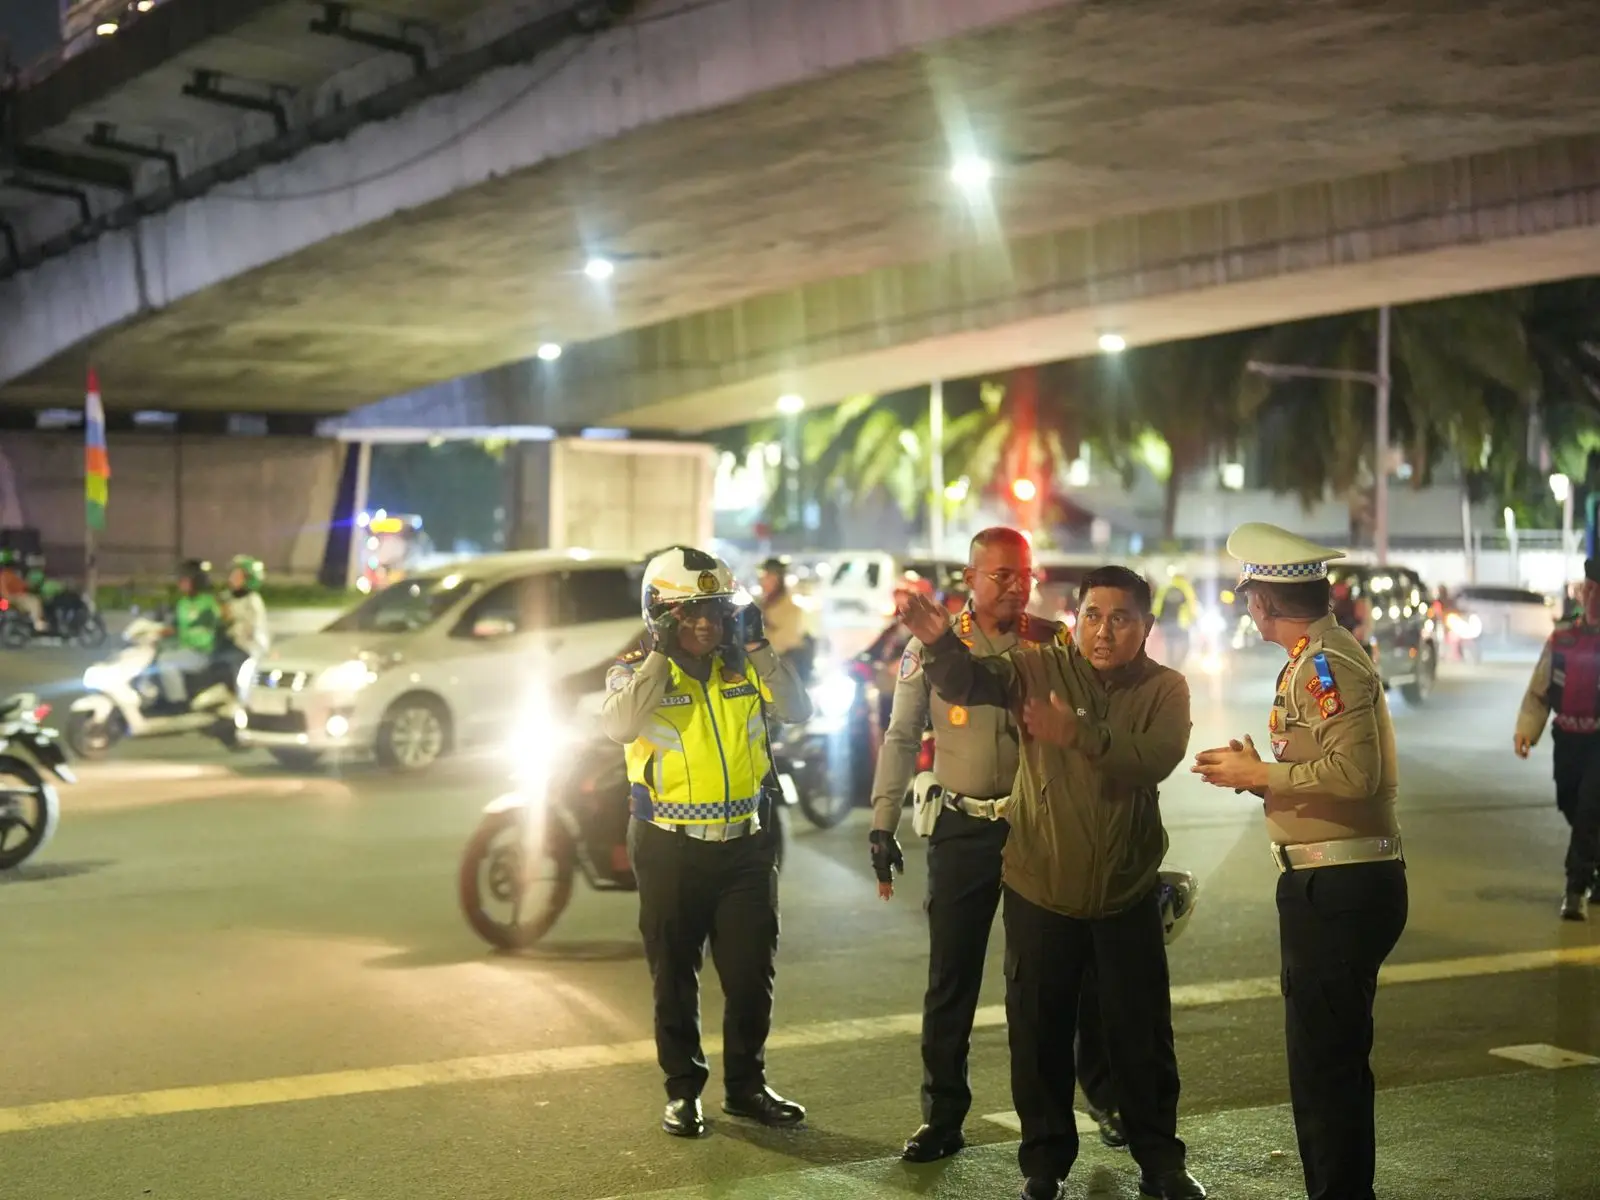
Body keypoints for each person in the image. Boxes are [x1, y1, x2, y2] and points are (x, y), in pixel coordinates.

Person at [900, 567, 1204, 1200]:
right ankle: (1043, 1167)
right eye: (1093, 615)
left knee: (1142, 1038)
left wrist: (1080, 735)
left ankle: (1160, 1162)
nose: (1104, 631)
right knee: (1037, 1034)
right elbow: (971, 682)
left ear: (1146, 626)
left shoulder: (1165, 688)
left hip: (1125, 892)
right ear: (1076, 619)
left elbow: (1156, 758)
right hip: (1040, 887)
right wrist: (939, 644)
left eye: (1120, 618)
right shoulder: (1037, 667)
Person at [870, 528, 1128, 1165]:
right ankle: (942, 1116)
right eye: (1001, 575)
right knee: (951, 977)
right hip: (962, 828)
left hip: (1038, 828)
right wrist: (882, 822)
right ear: (970, 578)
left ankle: (1103, 1096)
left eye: (1024, 574)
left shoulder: (1054, 642)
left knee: (1062, 974)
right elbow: (902, 737)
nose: (1016, 586)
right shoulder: (932, 646)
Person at [1191, 523, 1406, 1200]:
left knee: (1325, 1071)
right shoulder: (1314, 657)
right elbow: (1325, 768)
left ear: (1263, 602)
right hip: (1333, 882)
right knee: (1327, 1067)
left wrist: (1262, 773)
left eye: (1247, 597)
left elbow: (1357, 774)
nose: (1248, 609)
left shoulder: (1325, 665)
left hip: (1339, 887)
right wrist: (1260, 776)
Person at [601, 545, 813, 1138]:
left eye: (716, 609)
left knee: (750, 976)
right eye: (689, 611)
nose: (705, 622)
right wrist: (659, 655)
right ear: (659, 615)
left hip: (746, 844)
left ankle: (746, 1087)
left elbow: (798, 708)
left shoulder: (742, 663)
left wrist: (757, 644)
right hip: (668, 846)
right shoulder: (633, 669)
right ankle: (682, 1090)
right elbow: (619, 724)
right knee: (674, 974)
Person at [1514, 556, 1600, 921]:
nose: (1593, 597)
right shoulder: (1563, 638)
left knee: (1589, 807)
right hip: (1568, 738)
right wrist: (1526, 729)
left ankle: (1575, 887)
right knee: (1570, 802)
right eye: (1590, 589)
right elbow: (1540, 689)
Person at [158, 560, 223, 705]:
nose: (180, 583)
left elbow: (213, 624)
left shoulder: (208, 603)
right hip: (186, 649)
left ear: (196, 581)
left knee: (166, 661)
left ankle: (178, 702)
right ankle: (159, 696)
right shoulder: (183, 603)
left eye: (184, 579)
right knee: (158, 652)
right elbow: (176, 626)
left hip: (202, 653)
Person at [756, 556, 814, 680]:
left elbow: (787, 641)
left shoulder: (791, 610)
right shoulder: (760, 605)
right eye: (763, 577)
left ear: (778, 580)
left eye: (769, 577)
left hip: (781, 671)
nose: (763, 582)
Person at [219, 555, 271, 681]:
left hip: (248, 648)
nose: (232, 578)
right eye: (232, 574)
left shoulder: (252, 601)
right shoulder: (227, 597)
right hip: (230, 645)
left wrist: (231, 623)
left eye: (238, 576)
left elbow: (253, 630)